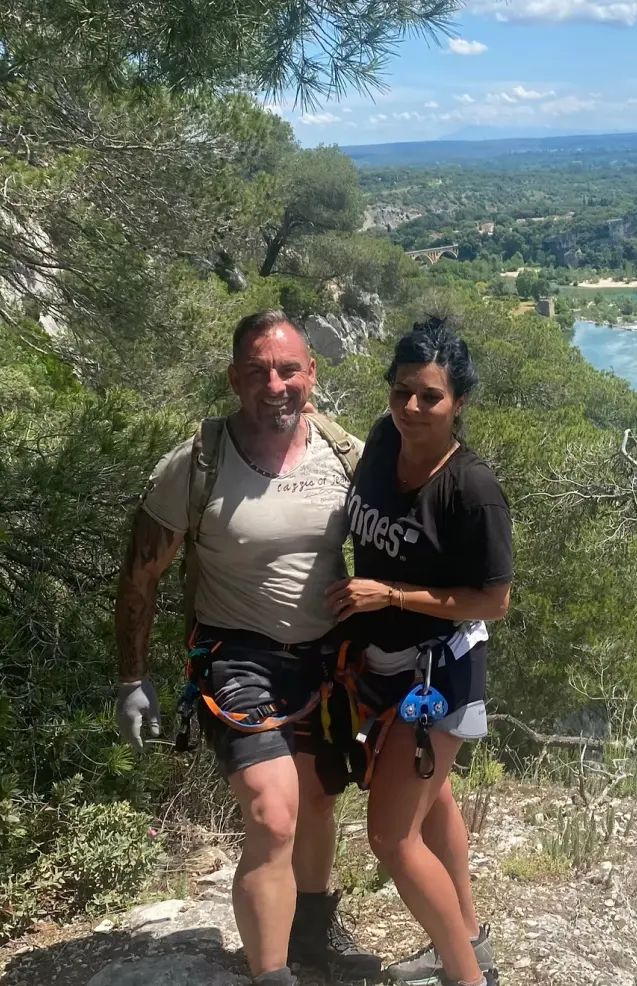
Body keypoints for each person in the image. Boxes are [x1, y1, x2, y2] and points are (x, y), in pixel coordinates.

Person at [112, 310, 381, 986]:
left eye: (289, 369)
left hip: (326, 662)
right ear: (235, 379)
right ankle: (271, 974)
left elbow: (402, 541)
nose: (275, 384)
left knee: (318, 799)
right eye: (259, 371)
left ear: (311, 374)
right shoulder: (199, 461)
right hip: (234, 656)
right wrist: (130, 679)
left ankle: (313, 940)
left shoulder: (343, 453)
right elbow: (141, 573)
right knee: (272, 808)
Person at [324, 317, 512, 986]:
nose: (410, 408)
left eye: (428, 396)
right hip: (380, 665)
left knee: (391, 839)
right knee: (436, 805)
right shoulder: (381, 442)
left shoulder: (471, 489)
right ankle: (466, 936)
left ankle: (468, 979)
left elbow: (493, 600)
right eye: (401, 391)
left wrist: (393, 595)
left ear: (458, 401)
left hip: (442, 671)